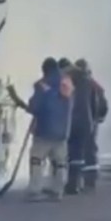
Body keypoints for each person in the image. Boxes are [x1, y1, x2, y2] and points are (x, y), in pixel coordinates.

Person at [25, 56, 74, 201]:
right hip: (62, 131)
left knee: (37, 160)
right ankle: (58, 190)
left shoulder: (42, 85)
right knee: (60, 163)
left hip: (44, 131)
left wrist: (30, 106)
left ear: (45, 70)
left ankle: (35, 190)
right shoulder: (67, 83)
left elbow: (35, 106)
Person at [62, 58, 98, 195]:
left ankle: (72, 184)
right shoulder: (90, 83)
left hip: (72, 121)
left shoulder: (68, 81)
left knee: (73, 154)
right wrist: (93, 121)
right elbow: (95, 104)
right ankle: (84, 182)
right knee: (83, 153)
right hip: (86, 123)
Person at [75, 58, 108, 192]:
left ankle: (79, 181)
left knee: (79, 151)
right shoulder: (96, 86)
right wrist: (99, 118)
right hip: (92, 123)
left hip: (80, 123)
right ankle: (89, 181)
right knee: (90, 150)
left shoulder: (76, 84)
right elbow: (103, 106)